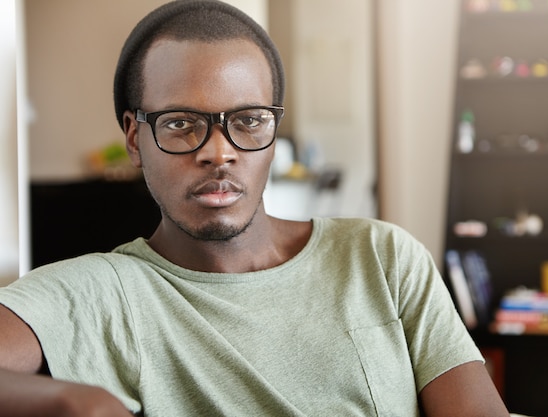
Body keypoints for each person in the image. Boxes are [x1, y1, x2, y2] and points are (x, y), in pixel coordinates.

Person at [0, 1, 510, 416]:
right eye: (180, 123)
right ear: (136, 139)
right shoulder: (97, 292)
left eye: (247, 120)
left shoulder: (381, 257)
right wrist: (72, 401)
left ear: (272, 133)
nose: (218, 151)